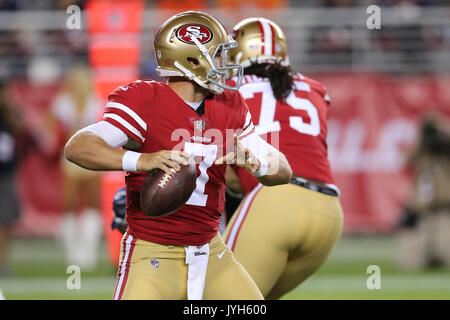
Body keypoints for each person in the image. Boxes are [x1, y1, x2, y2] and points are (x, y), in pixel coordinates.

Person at [64, 11, 292, 300]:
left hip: (211, 251)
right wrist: (142, 160)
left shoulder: (230, 104)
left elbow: (283, 170)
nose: (226, 65)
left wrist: (257, 162)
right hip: (152, 251)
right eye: (218, 56)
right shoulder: (145, 100)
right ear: (192, 61)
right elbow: (78, 147)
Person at [222, 17, 344, 299]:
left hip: (274, 203)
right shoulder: (315, 89)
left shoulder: (230, 90)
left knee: (218, 299)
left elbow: (228, 174)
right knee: (254, 300)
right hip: (328, 212)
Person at [46, 65, 103, 271]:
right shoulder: (63, 102)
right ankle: (72, 253)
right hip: (70, 157)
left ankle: (88, 255)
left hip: (93, 155)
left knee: (93, 203)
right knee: (68, 204)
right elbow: (48, 124)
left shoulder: (97, 102)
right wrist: (54, 138)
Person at [396, 114, 450, 270]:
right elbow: (406, 161)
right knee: (411, 262)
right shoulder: (421, 151)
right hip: (421, 210)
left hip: (444, 209)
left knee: (445, 247)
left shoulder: (445, 150)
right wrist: (422, 139)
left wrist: (444, 132)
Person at [0, 80, 24, 277]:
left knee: (5, 221)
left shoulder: (8, 113)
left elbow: (20, 128)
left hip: (5, 173)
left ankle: (2, 262)